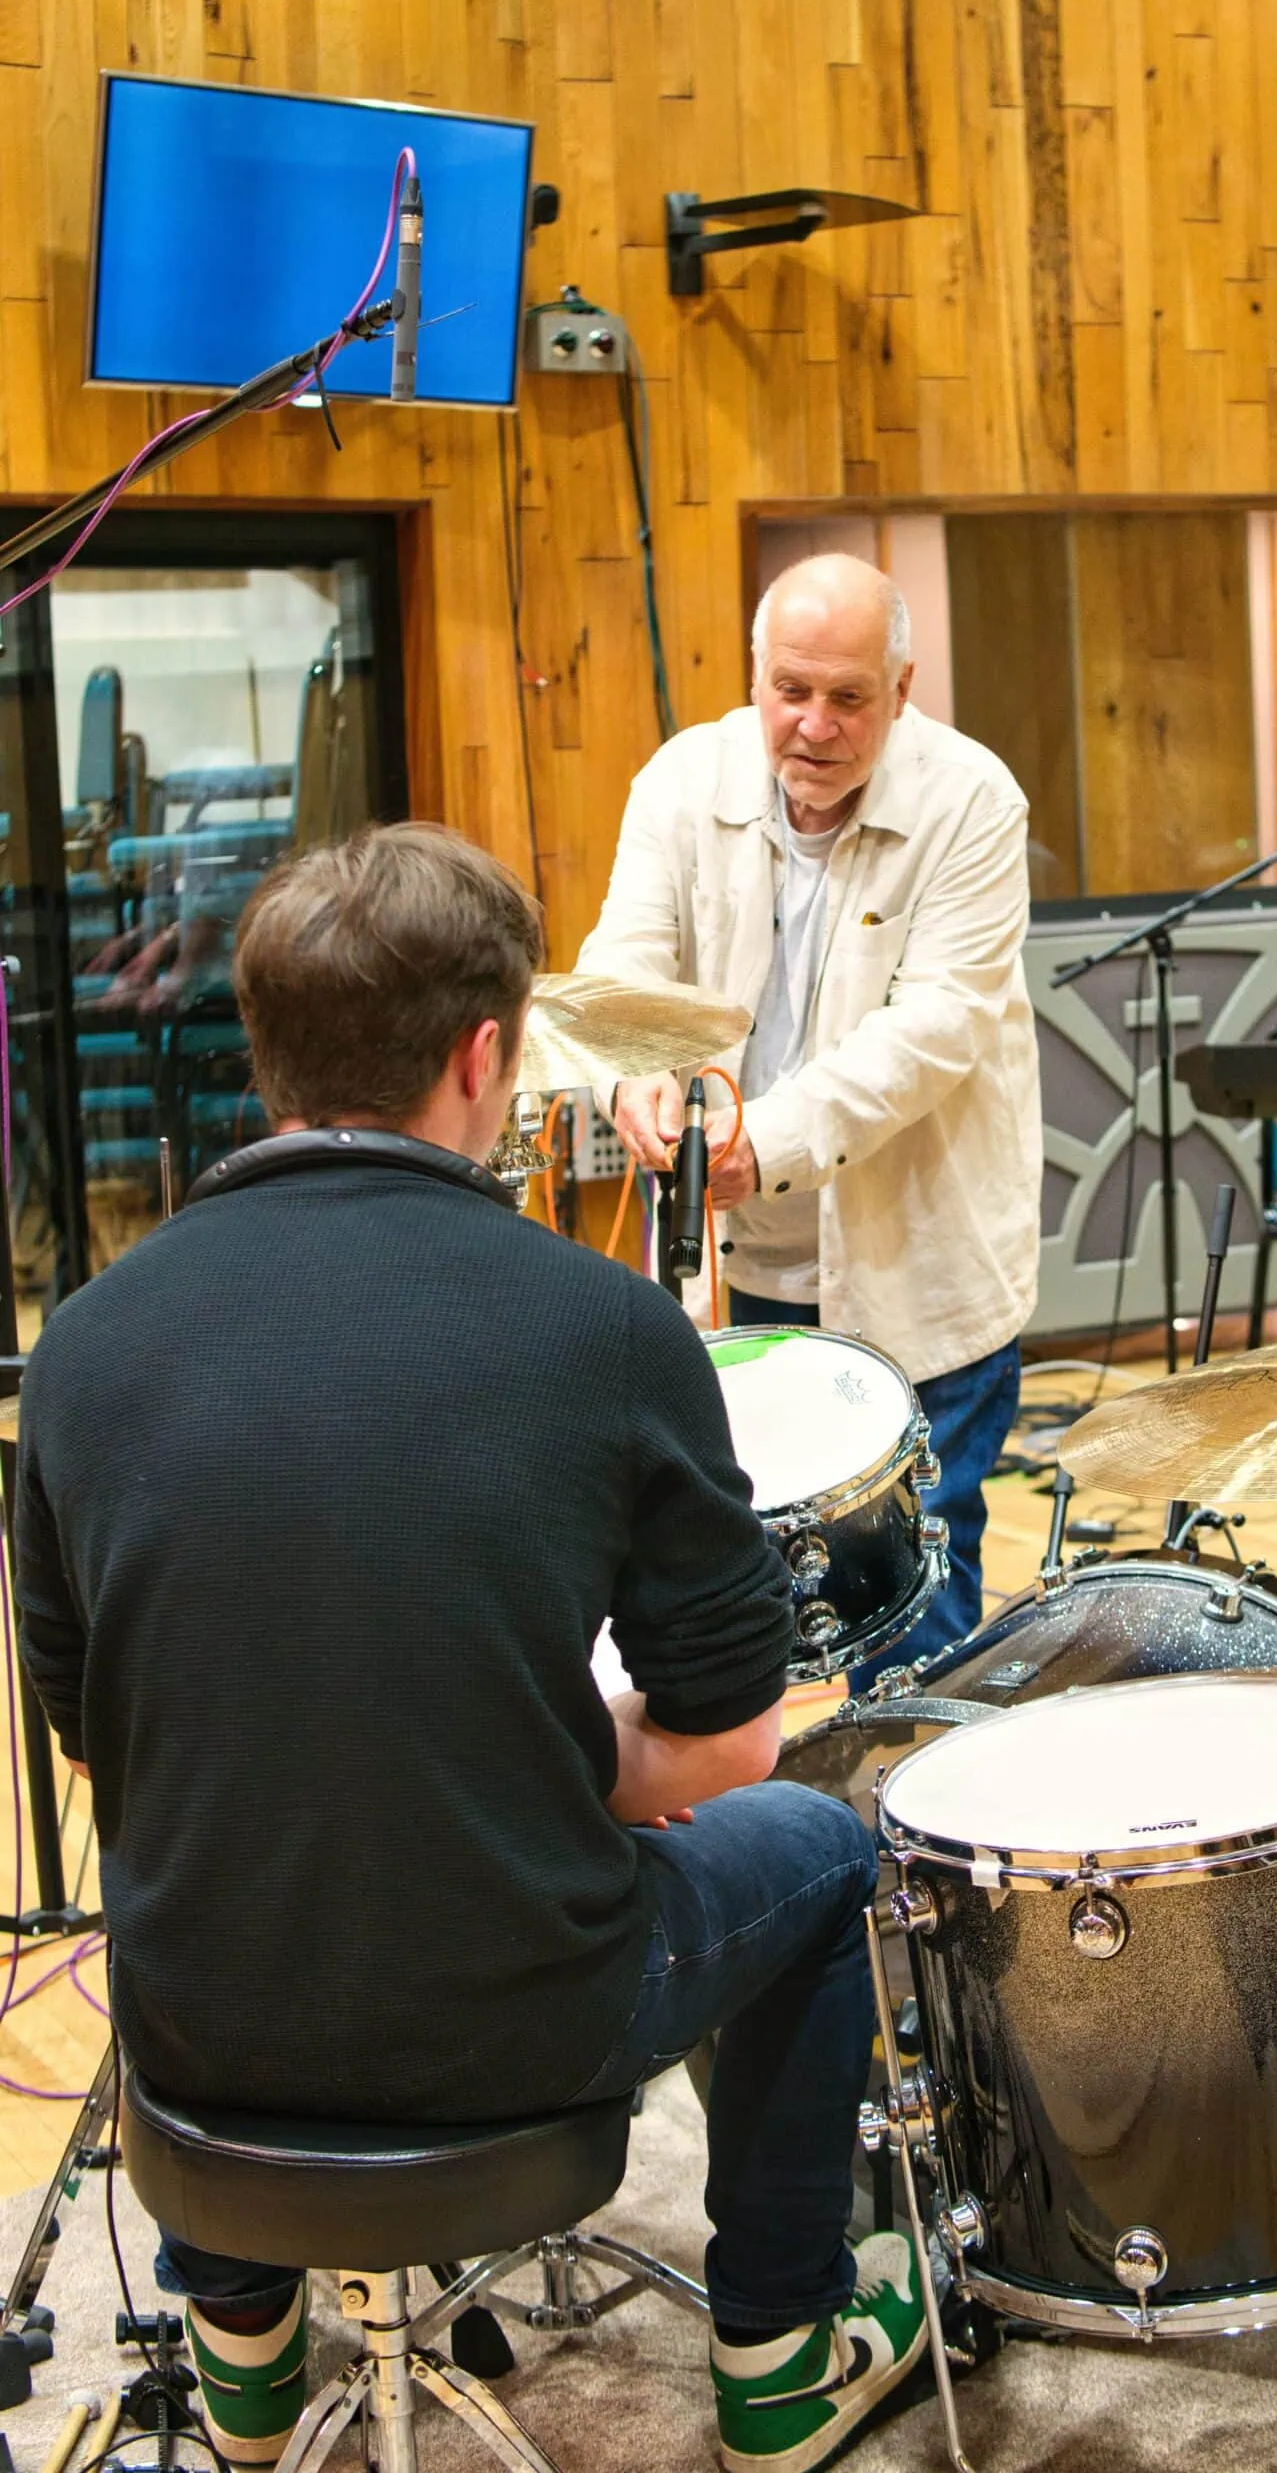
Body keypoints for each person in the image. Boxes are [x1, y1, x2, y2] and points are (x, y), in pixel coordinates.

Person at [14, 824, 925, 2473]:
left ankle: (240, 2343)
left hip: (197, 2035)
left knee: (213, 1864)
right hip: (518, 2028)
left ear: (263, 1052)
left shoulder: (81, 1346)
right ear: (483, 1055)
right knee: (818, 1843)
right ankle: (780, 2349)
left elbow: (106, 1733)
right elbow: (729, 1743)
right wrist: (548, 1762)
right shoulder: (602, 1326)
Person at [576, 553, 1042, 1680]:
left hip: (918, 1277)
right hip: (737, 1270)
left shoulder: (972, 801)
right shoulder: (682, 781)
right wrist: (632, 1078)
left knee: (915, 1624)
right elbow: (620, 968)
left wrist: (766, 1143)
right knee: (737, 1604)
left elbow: (932, 1030)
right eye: (791, 690)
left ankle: (905, 1788)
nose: (815, 725)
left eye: (849, 698)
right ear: (755, 677)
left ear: (903, 689)